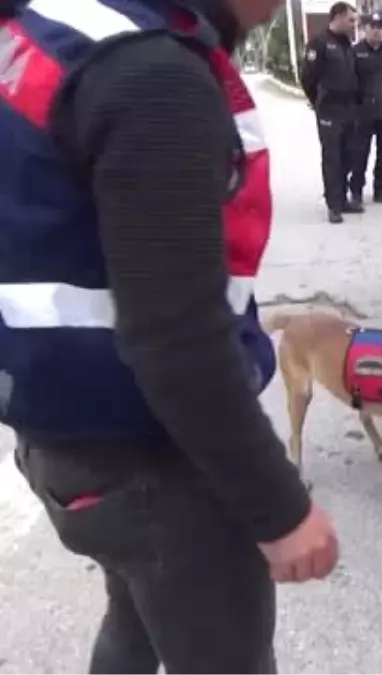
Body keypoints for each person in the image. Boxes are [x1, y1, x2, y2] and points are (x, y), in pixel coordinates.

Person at [0, 0, 340, 671]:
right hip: (155, 460)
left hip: (66, 438)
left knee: (135, 621)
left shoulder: (53, 30)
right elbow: (177, 337)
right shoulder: (150, 75)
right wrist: (279, 509)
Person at [301, 1, 362, 223]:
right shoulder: (319, 43)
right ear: (337, 17)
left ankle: (343, 199)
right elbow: (307, 77)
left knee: (349, 155)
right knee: (333, 157)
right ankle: (333, 205)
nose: (354, 24)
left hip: (349, 108)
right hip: (329, 109)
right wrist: (317, 101)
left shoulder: (347, 43)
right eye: (351, 20)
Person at [350, 12, 382, 205]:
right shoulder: (355, 53)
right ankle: (356, 191)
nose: (375, 30)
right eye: (372, 26)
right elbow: (349, 80)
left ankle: (381, 190)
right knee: (359, 154)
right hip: (363, 113)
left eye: (379, 26)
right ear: (364, 29)